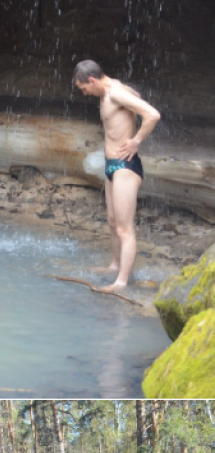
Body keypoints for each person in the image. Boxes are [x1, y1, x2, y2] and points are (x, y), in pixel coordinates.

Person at [74, 58, 160, 292]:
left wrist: (136, 141)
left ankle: (121, 282)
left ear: (92, 80)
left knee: (124, 228)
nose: (84, 93)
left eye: (84, 88)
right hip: (111, 165)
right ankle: (114, 265)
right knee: (113, 222)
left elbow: (152, 114)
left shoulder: (115, 93)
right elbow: (136, 96)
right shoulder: (111, 89)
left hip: (125, 167)